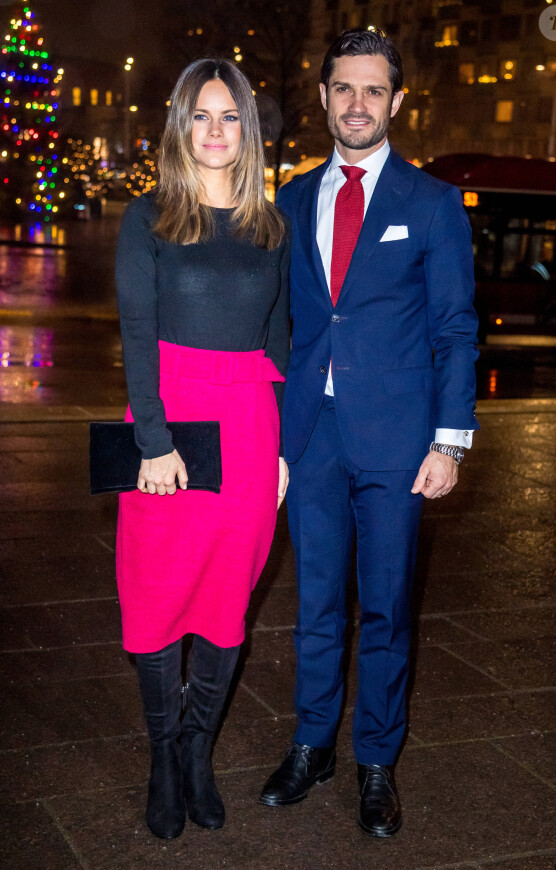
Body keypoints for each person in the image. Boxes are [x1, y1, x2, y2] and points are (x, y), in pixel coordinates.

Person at [259, 29, 479, 838]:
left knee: (385, 607)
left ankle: (377, 761)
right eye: (344, 89)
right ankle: (313, 743)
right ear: (323, 97)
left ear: (395, 101)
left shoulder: (430, 203)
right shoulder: (289, 198)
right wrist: (270, 439)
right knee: (315, 603)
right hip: (308, 436)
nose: (358, 104)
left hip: (397, 442)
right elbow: (276, 323)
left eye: (373, 91)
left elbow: (456, 327)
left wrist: (450, 441)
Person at [115, 58, 290, 840]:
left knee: (227, 603)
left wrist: (284, 449)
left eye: (230, 117)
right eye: (201, 115)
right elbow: (139, 334)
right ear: (180, 125)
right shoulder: (147, 218)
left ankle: (196, 754)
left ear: (248, 130)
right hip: (168, 426)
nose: (216, 131)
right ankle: (160, 755)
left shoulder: (271, 228)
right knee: (154, 598)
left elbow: (280, 342)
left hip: (251, 426)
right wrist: (151, 441)